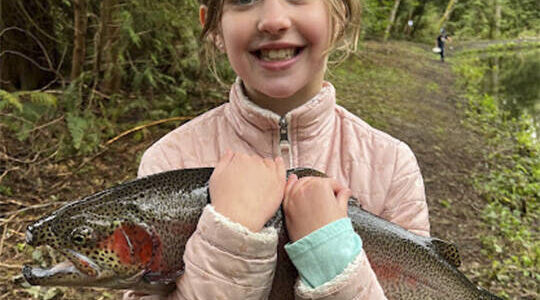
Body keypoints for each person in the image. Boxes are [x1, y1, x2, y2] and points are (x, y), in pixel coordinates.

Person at [124, 0, 429, 299]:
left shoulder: (390, 165)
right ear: (214, 26)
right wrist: (230, 241)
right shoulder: (169, 160)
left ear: (342, 15)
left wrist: (331, 257)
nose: (273, 19)